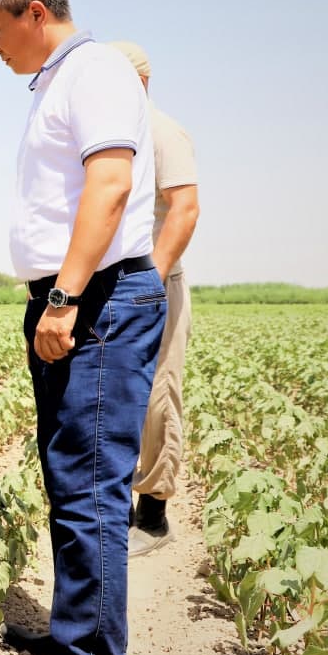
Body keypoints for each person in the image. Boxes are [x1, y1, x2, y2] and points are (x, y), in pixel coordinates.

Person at [0, 0, 167, 655]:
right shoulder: (59, 80)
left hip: (100, 301)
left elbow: (109, 186)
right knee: (69, 479)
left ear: (34, 13)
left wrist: (64, 298)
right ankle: (75, 632)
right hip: (78, 299)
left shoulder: (97, 72)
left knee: (91, 489)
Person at [108, 41, 200, 557]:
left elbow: (184, 210)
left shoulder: (163, 132)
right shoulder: (114, 136)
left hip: (157, 283)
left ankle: (154, 516)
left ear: (140, 83)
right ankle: (118, 508)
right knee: (117, 395)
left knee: (157, 397)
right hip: (117, 282)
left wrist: (151, 279)